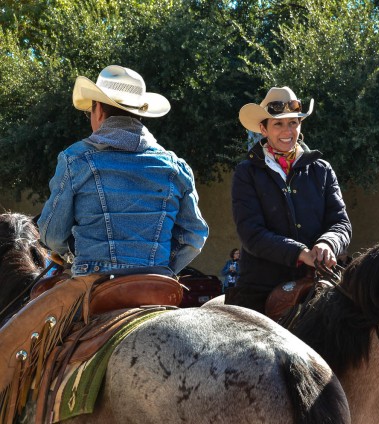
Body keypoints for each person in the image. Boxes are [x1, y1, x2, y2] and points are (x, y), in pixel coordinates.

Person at [1, 65, 208, 398]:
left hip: (93, 286)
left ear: (98, 111)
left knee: (14, 348)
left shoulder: (76, 159)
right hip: (159, 287)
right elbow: (194, 237)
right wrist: (163, 268)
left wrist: (73, 252)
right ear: (140, 114)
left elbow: (51, 234)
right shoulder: (175, 165)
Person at [225, 86, 352, 314]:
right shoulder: (247, 173)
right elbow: (251, 233)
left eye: (293, 122)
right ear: (263, 129)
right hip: (260, 286)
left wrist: (328, 243)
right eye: (278, 124)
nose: (287, 130)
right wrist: (300, 253)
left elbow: (341, 223)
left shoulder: (321, 170)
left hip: (319, 280)